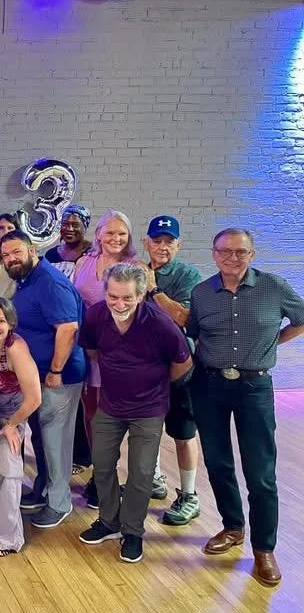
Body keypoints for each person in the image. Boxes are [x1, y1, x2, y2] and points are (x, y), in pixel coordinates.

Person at [188, 228, 304, 587]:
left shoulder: (274, 287)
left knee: (260, 471)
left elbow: (301, 319)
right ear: (214, 254)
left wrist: (274, 342)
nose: (232, 258)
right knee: (218, 462)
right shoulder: (202, 292)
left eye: (240, 252)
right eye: (225, 251)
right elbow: (194, 331)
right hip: (207, 385)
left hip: (255, 386)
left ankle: (264, 549)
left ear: (251, 255)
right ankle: (233, 527)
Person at [77, 264, 192, 564]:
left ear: (141, 295)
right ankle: (109, 521)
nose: (119, 304)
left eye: (127, 298)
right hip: (111, 405)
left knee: (141, 473)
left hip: (149, 409)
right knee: (101, 465)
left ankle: (132, 531)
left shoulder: (160, 323)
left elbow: (183, 363)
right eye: (113, 296)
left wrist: (154, 384)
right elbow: (92, 351)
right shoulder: (95, 316)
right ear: (106, 293)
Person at [0, 230, 85, 528]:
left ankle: (59, 502)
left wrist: (56, 371)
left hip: (58, 377)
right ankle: (44, 488)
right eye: (6, 255)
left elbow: (68, 328)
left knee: (55, 439)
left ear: (32, 249)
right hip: (36, 376)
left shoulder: (50, 282)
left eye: (16, 252)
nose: (11, 258)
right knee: (41, 435)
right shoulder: (28, 279)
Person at [72, 210, 142, 508]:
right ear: (98, 234)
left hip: (118, 353)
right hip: (86, 349)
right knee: (91, 414)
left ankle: (108, 476)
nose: (115, 238)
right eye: (110, 232)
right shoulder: (84, 262)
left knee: (112, 417)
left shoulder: (135, 267)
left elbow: (140, 314)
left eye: (122, 233)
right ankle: (99, 472)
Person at [141, 215, 204, 526]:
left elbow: (183, 317)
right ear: (146, 242)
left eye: (169, 242)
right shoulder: (136, 271)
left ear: (179, 244)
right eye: (157, 240)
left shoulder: (189, 275)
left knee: (182, 433)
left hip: (180, 368)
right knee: (148, 429)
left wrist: (153, 291)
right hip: (146, 368)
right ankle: (154, 480)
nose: (162, 247)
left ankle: (190, 495)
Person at [0, 298, 42, 556]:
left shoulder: (16, 349)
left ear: (11, 324)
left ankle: (5, 537)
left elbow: (35, 398)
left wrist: (12, 425)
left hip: (12, 412)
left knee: (8, 462)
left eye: (1, 321)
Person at [43, 204, 92, 280]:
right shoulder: (51, 255)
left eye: (75, 225)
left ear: (85, 227)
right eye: (65, 224)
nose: (70, 229)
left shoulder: (93, 253)